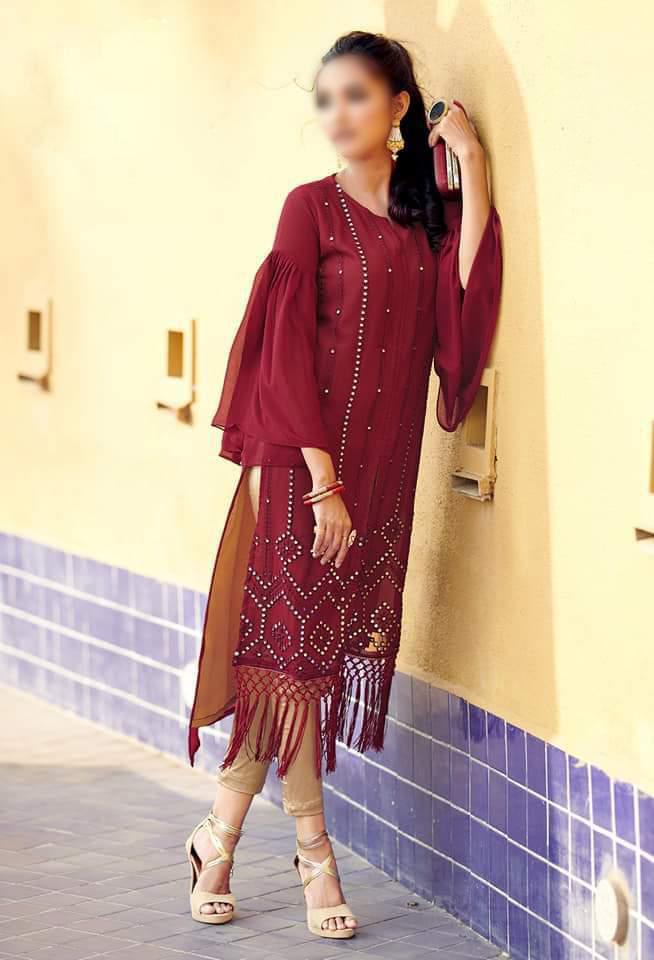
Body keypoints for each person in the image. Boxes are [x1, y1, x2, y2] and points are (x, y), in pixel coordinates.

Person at [185, 29, 503, 940]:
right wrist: (322, 483)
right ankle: (315, 855)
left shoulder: (425, 216)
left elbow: (466, 301)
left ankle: (217, 834)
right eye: (326, 99)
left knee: (304, 661)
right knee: (291, 659)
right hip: (302, 468)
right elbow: (281, 352)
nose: (336, 115)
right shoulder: (308, 211)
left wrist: (475, 168)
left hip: (383, 474)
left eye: (356, 95)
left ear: (399, 106)